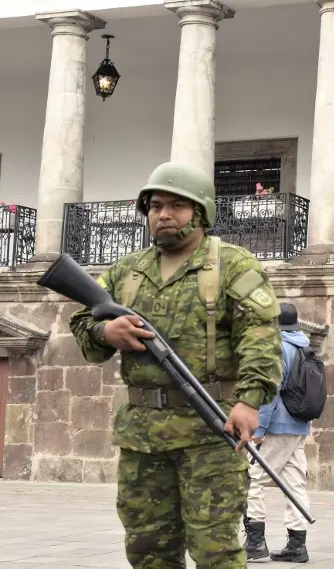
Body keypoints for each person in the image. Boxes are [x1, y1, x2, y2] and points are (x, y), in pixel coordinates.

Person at [68, 161, 283, 568]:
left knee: (215, 551)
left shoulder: (233, 265)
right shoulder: (127, 271)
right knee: (147, 549)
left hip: (209, 432)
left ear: (200, 214)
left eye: (176, 206)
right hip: (142, 436)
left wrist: (250, 402)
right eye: (155, 206)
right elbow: (83, 322)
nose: (163, 214)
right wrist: (106, 332)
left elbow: (260, 339)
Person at [244, 302, 314, 562]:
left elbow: (269, 393)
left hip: (276, 427)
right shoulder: (306, 347)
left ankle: (255, 543)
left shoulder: (277, 348)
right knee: (295, 484)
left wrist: (258, 429)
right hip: (299, 426)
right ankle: (298, 545)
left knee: (253, 480)